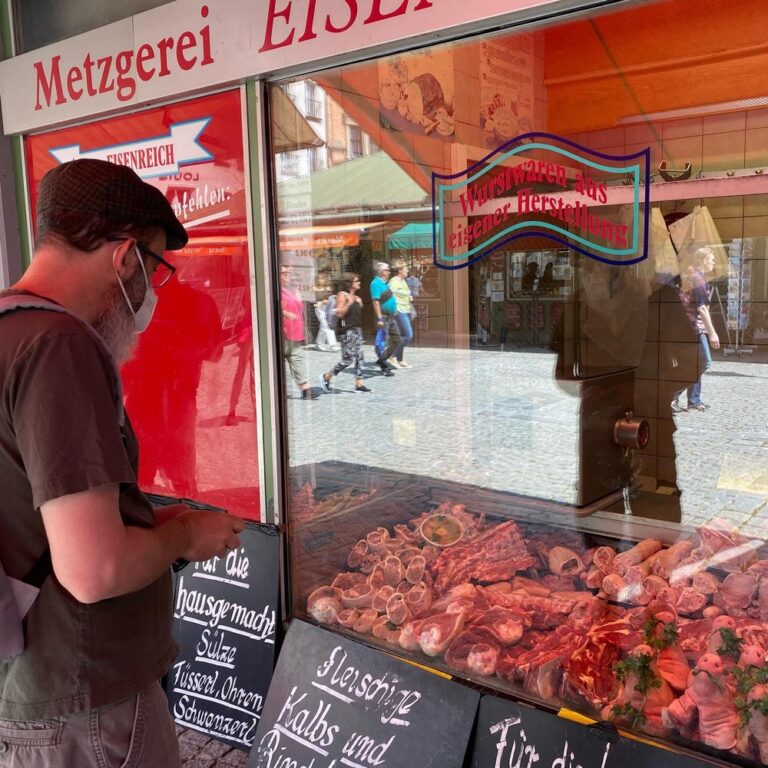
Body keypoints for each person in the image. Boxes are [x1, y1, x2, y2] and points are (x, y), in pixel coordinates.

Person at [0, 158, 246, 767]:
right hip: (85, 699)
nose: (152, 292)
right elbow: (94, 569)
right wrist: (188, 533)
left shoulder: (9, 328)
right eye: (155, 268)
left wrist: (150, 516)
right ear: (125, 256)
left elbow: (40, 505)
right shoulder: (59, 347)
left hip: (35, 682)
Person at [673, 246, 720, 412]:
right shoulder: (698, 279)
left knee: (695, 363)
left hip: (690, 327)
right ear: (702, 261)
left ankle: (694, 400)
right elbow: (702, 309)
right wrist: (713, 333)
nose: (714, 263)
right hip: (692, 327)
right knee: (703, 362)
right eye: (712, 259)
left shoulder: (697, 277)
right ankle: (672, 395)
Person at [319, 274, 371, 393]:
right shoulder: (342, 295)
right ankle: (326, 376)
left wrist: (358, 302)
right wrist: (349, 303)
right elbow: (339, 314)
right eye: (356, 281)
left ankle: (359, 384)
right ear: (349, 283)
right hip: (347, 331)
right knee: (348, 359)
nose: (359, 282)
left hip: (357, 330)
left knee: (360, 357)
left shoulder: (356, 296)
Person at [280, 264, 319, 399]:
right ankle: (278, 389)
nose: (287, 275)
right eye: (284, 273)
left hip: (294, 331)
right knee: (284, 360)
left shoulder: (290, 290)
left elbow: (299, 307)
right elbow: (272, 307)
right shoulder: (275, 290)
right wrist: (286, 314)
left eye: (288, 273)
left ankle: (305, 388)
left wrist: (298, 296)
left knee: (297, 358)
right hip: (282, 332)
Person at [369, 261, 400, 376]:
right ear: (382, 272)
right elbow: (375, 302)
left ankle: (382, 359)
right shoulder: (375, 283)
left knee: (397, 340)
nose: (389, 272)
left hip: (391, 317)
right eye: (387, 270)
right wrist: (379, 318)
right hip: (384, 317)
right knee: (381, 342)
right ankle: (383, 366)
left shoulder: (385, 283)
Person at [387, 259, 414, 368]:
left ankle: (400, 359)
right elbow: (390, 296)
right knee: (408, 335)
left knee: (403, 335)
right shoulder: (394, 281)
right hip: (399, 311)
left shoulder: (403, 281)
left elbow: (403, 293)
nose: (407, 270)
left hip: (406, 309)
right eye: (405, 269)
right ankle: (391, 354)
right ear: (400, 270)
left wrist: (409, 297)